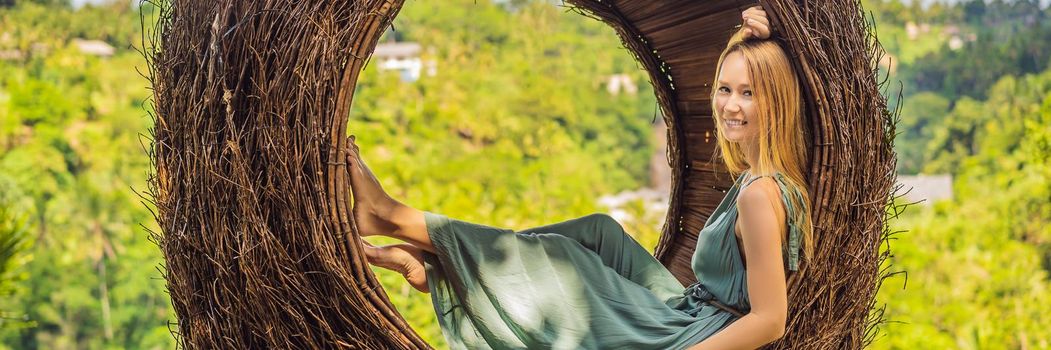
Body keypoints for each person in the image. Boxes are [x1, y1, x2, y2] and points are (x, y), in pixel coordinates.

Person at [348, 5, 813, 349]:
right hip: (689, 305)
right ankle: (445, 262)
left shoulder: (759, 196)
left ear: (776, 100)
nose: (730, 105)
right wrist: (756, 34)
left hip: (691, 332)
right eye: (726, 89)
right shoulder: (765, 175)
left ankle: (395, 219)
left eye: (749, 93)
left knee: (569, 261)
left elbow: (771, 320)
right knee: (598, 230)